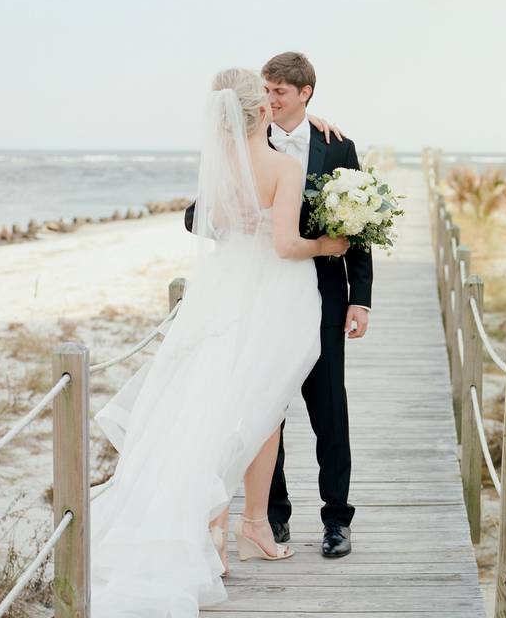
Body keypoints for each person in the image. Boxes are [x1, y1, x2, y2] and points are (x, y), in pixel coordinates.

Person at [89, 67, 348, 616]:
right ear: (261, 110)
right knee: (264, 408)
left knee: (215, 404)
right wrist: (328, 245)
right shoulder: (282, 164)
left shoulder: (221, 165)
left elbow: (220, 225)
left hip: (223, 290)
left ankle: (220, 529)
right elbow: (284, 245)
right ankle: (246, 523)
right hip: (277, 295)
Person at [184, 52, 373, 558]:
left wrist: (362, 300)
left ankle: (337, 519)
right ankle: (273, 516)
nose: (269, 99)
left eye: (279, 92)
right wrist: (229, 220)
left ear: (305, 93)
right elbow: (195, 214)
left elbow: (360, 225)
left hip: (325, 296)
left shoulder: (338, 146)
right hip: (264, 294)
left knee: (329, 408)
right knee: (266, 408)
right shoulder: (245, 139)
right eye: (264, 91)